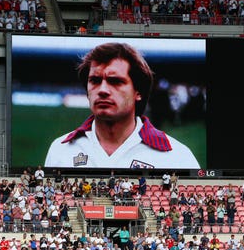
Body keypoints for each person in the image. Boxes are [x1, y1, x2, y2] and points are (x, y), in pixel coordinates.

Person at [45, 42, 199, 169]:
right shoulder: (60, 150)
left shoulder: (177, 156)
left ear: (138, 92)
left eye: (115, 81)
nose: (103, 90)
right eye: (95, 81)